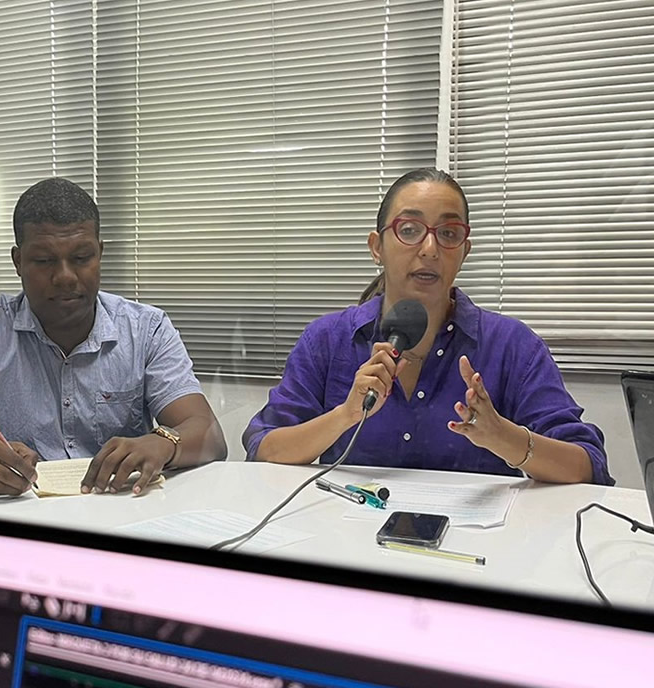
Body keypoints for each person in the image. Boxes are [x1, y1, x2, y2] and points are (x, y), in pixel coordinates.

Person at [243, 168, 612, 485]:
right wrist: (346, 415)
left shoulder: (512, 345)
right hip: (348, 540)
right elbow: (264, 448)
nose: (430, 248)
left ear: (464, 251)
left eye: (449, 233)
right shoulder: (327, 340)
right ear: (377, 247)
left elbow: (587, 466)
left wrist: (504, 437)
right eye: (409, 229)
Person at [0, 177, 227, 496]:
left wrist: (162, 444)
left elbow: (209, 434)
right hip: (21, 516)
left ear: (100, 254)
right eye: (44, 260)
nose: (65, 276)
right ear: (18, 262)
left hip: (124, 513)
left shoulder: (146, 329)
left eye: (81, 258)